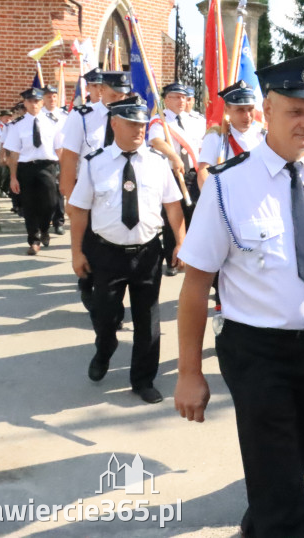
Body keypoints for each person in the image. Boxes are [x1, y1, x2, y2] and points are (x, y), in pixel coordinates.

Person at [174, 55, 304, 538]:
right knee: (283, 493)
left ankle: (255, 525)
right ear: (267, 108)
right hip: (258, 352)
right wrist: (189, 373)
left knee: (286, 464)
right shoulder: (227, 185)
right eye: (295, 112)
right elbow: (196, 283)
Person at [68, 95, 184, 403]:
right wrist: (76, 252)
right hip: (106, 253)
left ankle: (143, 380)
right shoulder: (95, 164)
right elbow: (78, 210)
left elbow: (172, 206)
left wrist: (181, 242)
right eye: (131, 124)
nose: (138, 130)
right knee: (105, 315)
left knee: (148, 319)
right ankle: (104, 349)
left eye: (142, 125)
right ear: (114, 123)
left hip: (147, 253)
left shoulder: (158, 164)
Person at [148, 81, 202, 275]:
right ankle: (172, 259)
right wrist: (174, 156)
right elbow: (156, 141)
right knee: (173, 218)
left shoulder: (195, 120)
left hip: (193, 174)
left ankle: (193, 258)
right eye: (176, 97)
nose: (181, 101)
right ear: (166, 99)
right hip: (172, 173)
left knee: (194, 215)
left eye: (184, 97)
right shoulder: (160, 120)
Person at [4, 87, 64, 255]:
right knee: (29, 206)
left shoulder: (53, 122)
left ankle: (44, 229)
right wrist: (13, 177)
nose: (33, 104)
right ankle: (34, 240)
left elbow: (59, 149)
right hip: (26, 168)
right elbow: (14, 154)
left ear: (42, 102)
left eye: (37, 101)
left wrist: (64, 171)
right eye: (30, 101)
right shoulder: (17, 125)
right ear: (25, 103)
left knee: (51, 203)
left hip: (48, 167)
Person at [59, 69, 132, 198]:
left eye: (122, 97)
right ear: (102, 90)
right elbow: (70, 156)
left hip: (119, 186)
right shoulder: (81, 116)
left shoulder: (130, 117)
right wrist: (69, 194)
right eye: (113, 96)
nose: (117, 101)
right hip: (88, 185)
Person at [196, 80, 265, 188]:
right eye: (240, 110)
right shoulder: (216, 137)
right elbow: (203, 172)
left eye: (250, 109)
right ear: (227, 110)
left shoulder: (262, 136)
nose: (247, 115)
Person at [42, 85, 68, 234]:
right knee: (46, 192)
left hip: (61, 157)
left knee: (59, 191)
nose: (51, 99)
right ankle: (45, 220)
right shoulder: (40, 115)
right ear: (43, 99)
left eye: (53, 96)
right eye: (48, 96)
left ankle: (59, 221)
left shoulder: (64, 115)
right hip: (46, 157)